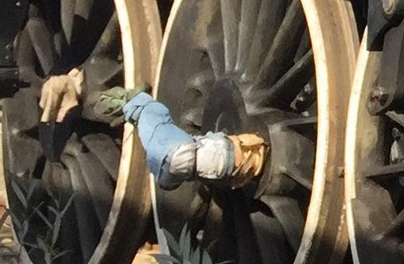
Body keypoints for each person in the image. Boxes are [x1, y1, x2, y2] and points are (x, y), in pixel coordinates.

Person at [69, 77, 263, 190]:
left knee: (171, 161)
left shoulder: (157, 144)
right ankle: (128, 101)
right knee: (149, 113)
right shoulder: (154, 126)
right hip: (202, 155)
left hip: (203, 166)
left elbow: (167, 182)